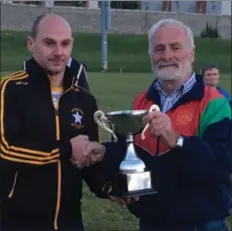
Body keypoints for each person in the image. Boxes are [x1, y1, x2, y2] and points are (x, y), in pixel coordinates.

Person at [102, 19, 232, 231]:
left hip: (201, 224)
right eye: (159, 49)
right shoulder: (140, 102)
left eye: (175, 47)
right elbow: (126, 153)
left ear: (191, 53)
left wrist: (177, 140)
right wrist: (103, 156)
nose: (166, 55)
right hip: (152, 222)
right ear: (151, 56)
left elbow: (220, 166)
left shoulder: (215, 103)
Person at [0, 12, 110, 231]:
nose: (59, 52)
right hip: (18, 221)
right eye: (50, 43)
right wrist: (65, 150)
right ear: (31, 44)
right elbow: (6, 150)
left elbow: (87, 160)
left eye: (65, 43)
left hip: (69, 222)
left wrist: (108, 186)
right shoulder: (10, 89)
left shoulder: (84, 99)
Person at [23, 56, 90, 92]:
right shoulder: (28, 66)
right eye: (49, 43)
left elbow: (86, 105)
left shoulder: (77, 69)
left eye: (64, 43)